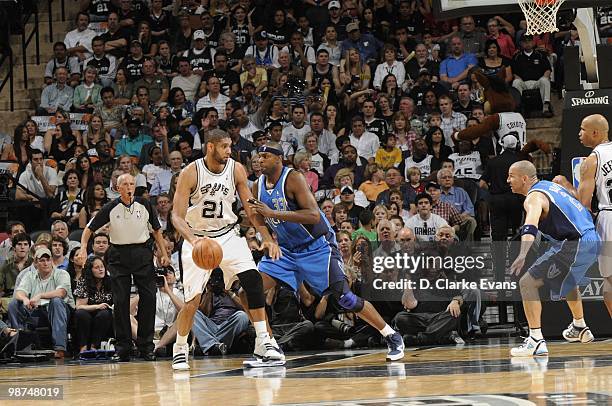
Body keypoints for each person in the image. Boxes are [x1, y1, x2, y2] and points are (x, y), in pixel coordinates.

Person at [248, 141, 405, 361]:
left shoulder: (293, 178)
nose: (259, 161)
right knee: (249, 291)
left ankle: (391, 335)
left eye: (265, 157)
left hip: (316, 248)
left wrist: (274, 213)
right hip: (285, 251)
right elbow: (256, 215)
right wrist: (266, 238)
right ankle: (269, 346)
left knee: (346, 299)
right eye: (258, 157)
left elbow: (313, 215)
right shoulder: (257, 185)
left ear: (278, 158)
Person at [170, 129, 283, 371]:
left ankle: (264, 341)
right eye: (224, 146)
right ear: (210, 147)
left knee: (252, 279)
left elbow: (250, 208)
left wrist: (267, 237)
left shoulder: (236, 169)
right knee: (193, 301)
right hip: (198, 239)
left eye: (230, 146)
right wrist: (193, 240)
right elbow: (176, 217)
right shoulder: (191, 172)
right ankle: (180, 347)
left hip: (228, 234)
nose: (229, 151)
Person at [507, 161, 599, 357]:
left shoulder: (533, 197)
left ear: (524, 179)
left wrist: (523, 253)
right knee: (567, 280)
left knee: (527, 283)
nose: (508, 180)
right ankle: (580, 326)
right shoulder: (552, 186)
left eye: (511, 176)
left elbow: (530, 226)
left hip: (575, 243)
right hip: (591, 239)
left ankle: (535, 340)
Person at [77, 174, 170, 362]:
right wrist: (83, 248)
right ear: (117, 188)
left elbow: (157, 230)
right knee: (120, 302)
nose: (129, 187)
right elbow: (89, 228)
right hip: (118, 255)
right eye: (125, 184)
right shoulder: (111, 207)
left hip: (143, 252)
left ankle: (146, 346)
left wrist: (163, 253)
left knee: (149, 298)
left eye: (132, 184)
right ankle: (123, 348)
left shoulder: (144, 204)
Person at [553, 114, 612, 317]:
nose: (579, 133)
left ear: (595, 133)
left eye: (582, 129)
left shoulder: (592, 160)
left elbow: (583, 205)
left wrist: (564, 185)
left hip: (609, 216)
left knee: (610, 281)